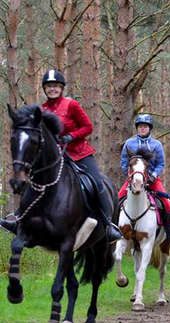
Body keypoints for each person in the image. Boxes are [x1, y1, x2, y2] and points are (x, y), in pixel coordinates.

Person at [0, 69, 122, 243]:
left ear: (62, 88)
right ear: (45, 89)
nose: (53, 89)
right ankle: (19, 220)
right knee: (33, 182)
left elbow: (87, 127)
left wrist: (71, 136)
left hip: (79, 153)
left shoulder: (71, 105)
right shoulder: (41, 110)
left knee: (96, 182)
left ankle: (108, 225)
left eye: (56, 86)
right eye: (49, 86)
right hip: (55, 157)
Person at [120, 114, 170, 247]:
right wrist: (131, 177)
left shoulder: (157, 145)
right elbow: (124, 163)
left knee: (166, 203)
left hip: (152, 180)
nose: (142, 129)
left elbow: (161, 163)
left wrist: (153, 175)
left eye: (145, 126)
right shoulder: (129, 143)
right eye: (140, 126)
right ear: (137, 128)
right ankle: (113, 230)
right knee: (117, 199)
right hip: (133, 179)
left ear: (149, 128)